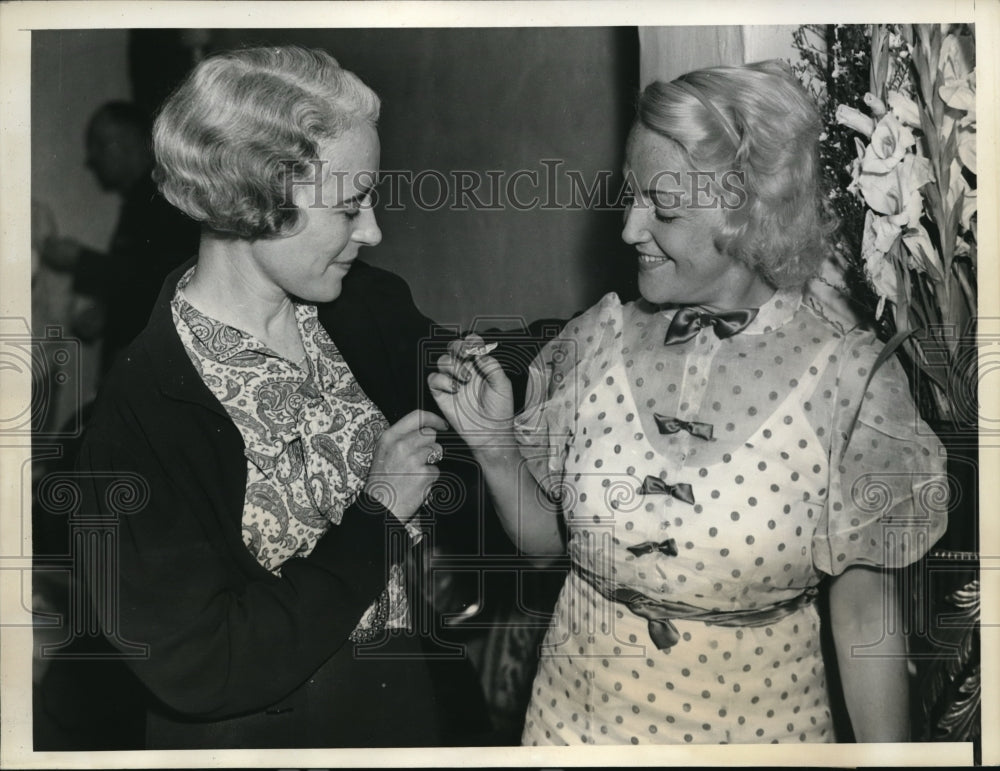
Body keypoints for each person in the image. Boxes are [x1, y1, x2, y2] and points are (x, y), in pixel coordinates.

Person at [430, 60, 947, 744]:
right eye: (630, 196)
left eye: (664, 208)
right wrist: (494, 444)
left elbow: (862, 620)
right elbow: (546, 548)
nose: (629, 229)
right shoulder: (595, 340)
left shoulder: (850, 382)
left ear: (748, 212)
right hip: (571, 728)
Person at [75, 46, 488, 749]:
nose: (374, 230)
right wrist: (378, 513)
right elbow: (201, 664)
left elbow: (463, 373)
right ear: (254, 198)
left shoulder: (365, 306)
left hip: (410, 707)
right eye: (351, 206)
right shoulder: (140, 411)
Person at [41, 101, 200, 374]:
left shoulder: (164, 201)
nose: (91, 157)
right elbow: (142, 282)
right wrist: (109, 314)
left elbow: (166, 281)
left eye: (101, 144)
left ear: (133, 142)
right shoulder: (140, 202)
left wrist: (81, 261)